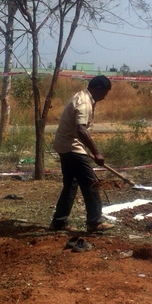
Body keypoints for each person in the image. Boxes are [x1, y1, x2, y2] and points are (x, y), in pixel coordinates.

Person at [50, 75, 115, 233]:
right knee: (91, 184)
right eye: (104, 93)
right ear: (98, 89)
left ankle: (58, 222)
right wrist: (96, 153)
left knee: (71, 185)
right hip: (72, 147)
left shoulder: (81, 96)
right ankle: (94, 222)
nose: (104, 97)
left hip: (65, 145)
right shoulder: (85, 102)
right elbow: (81, 129)